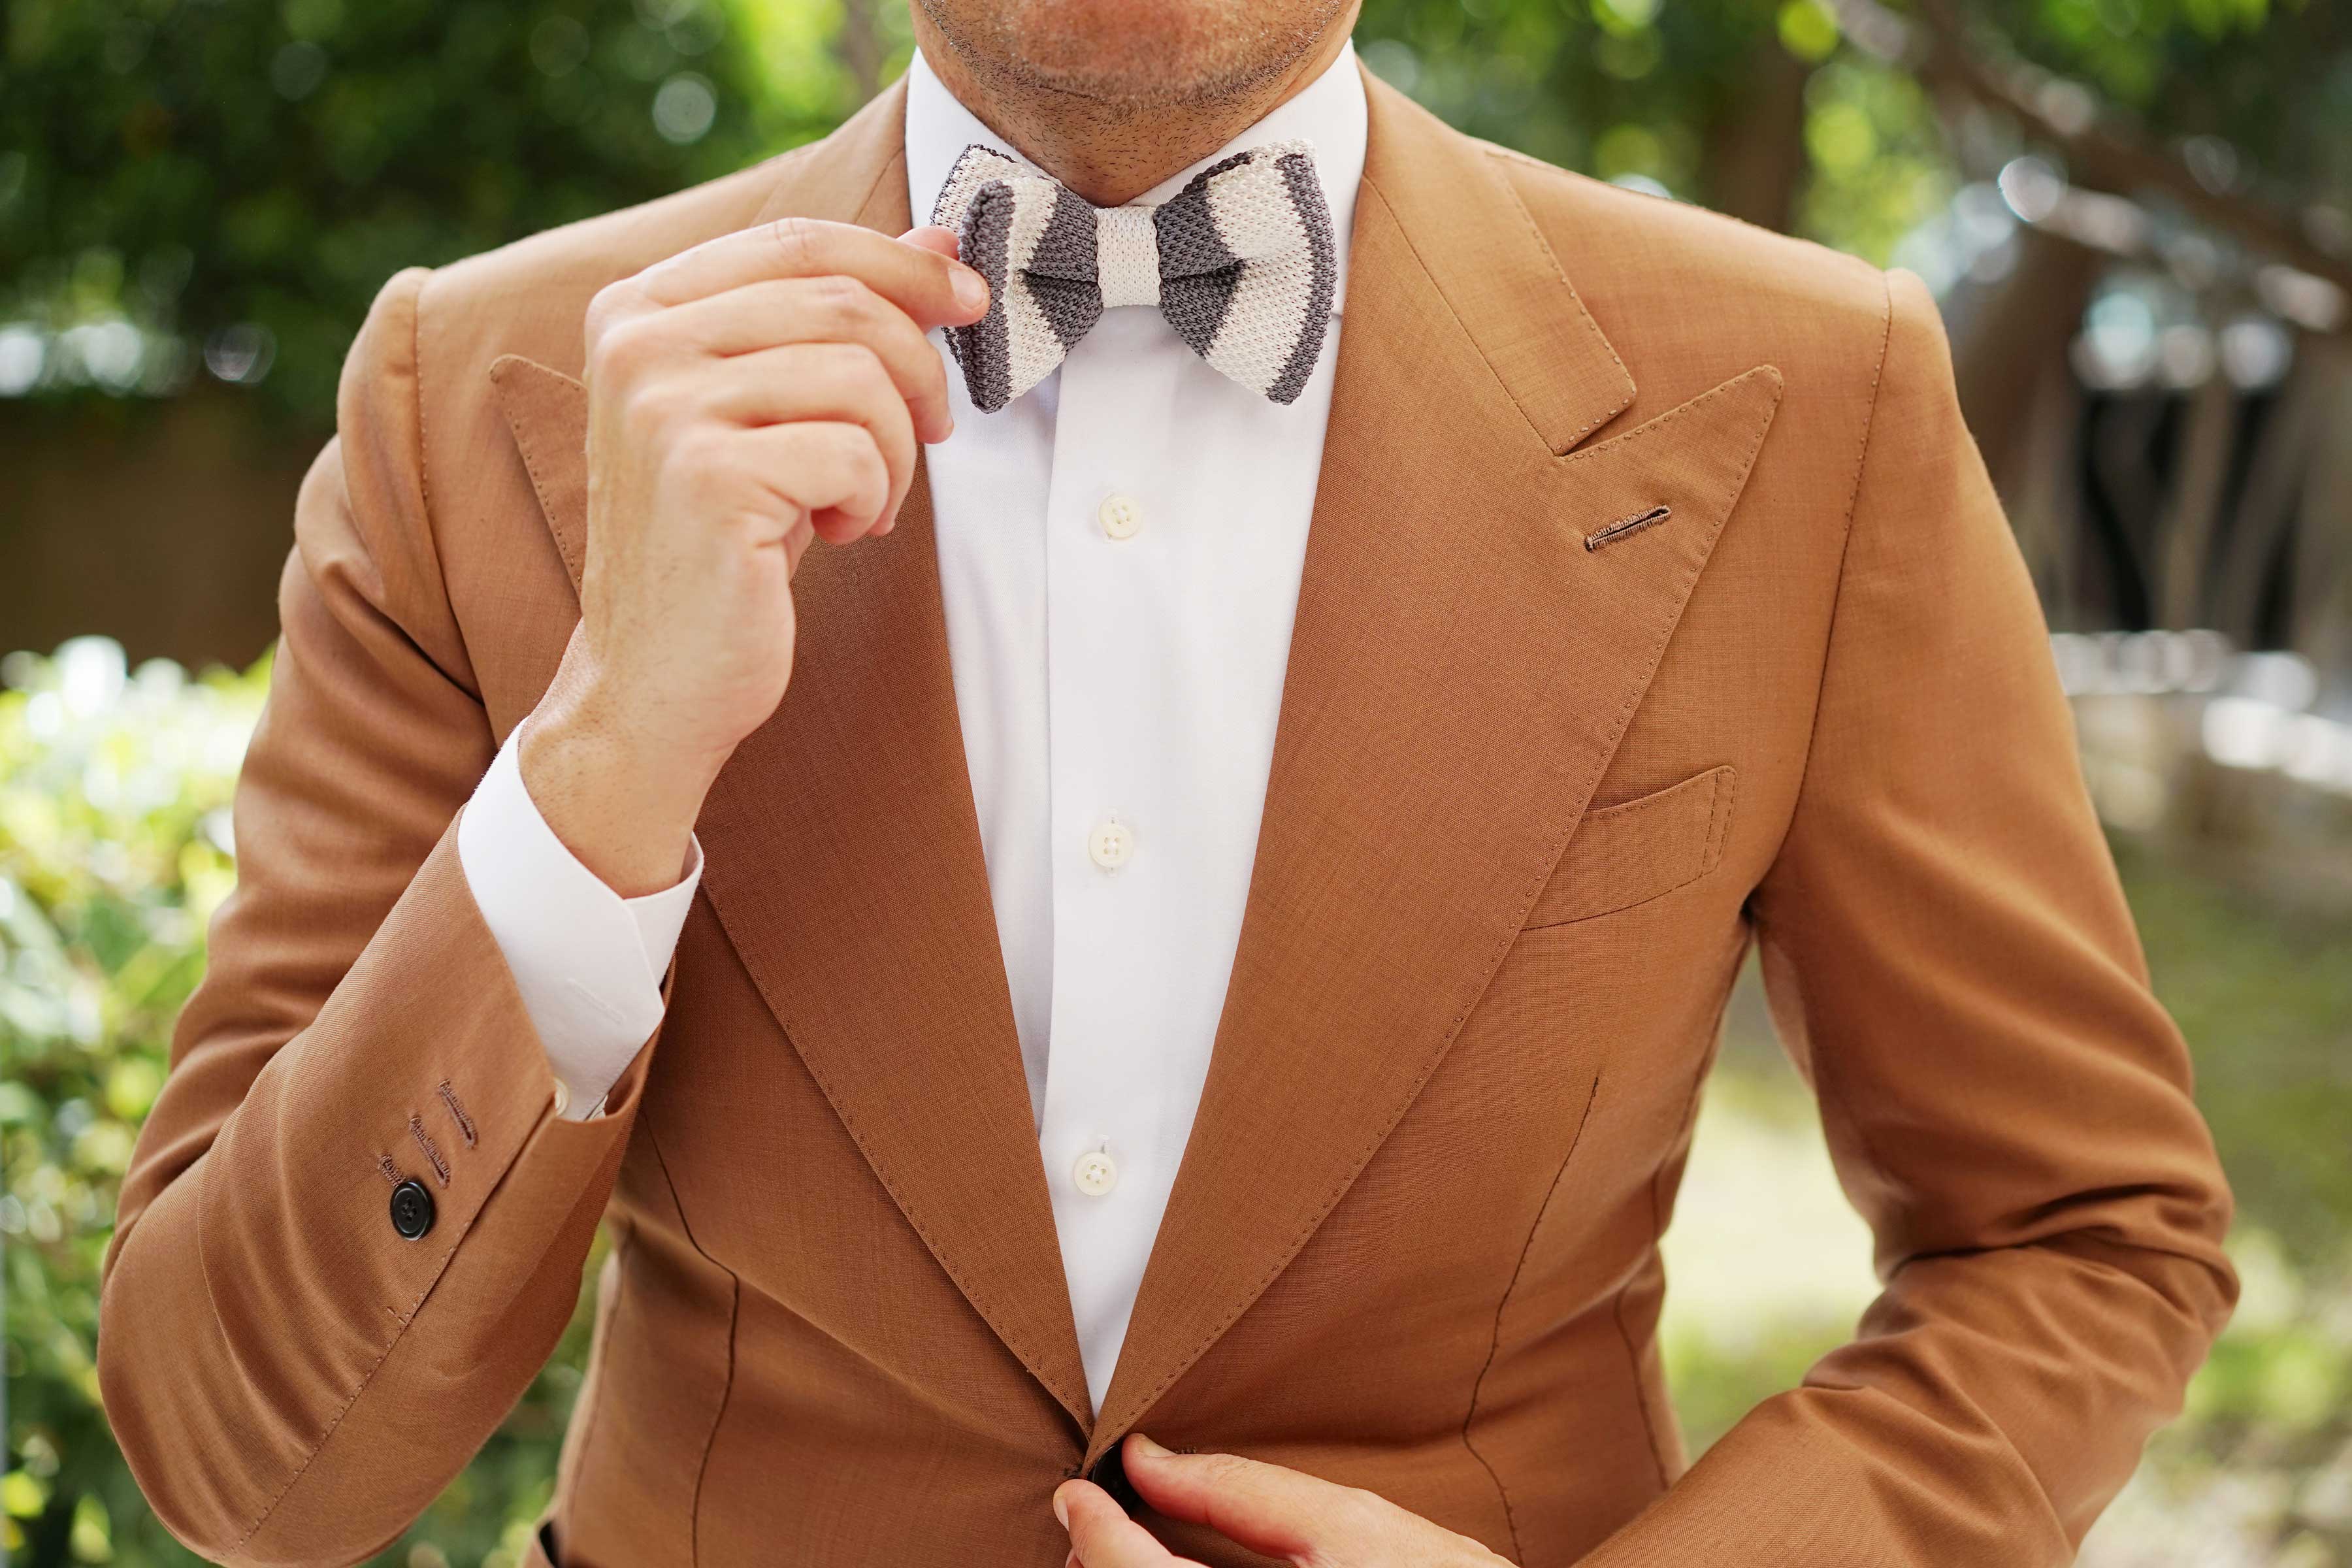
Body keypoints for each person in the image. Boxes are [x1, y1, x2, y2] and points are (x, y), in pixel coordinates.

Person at [96, 0, 2238, 1563]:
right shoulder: (471, 398)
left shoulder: (1814, 394)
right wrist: (603, 758)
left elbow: (2081, 1238)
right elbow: (243, 1457)